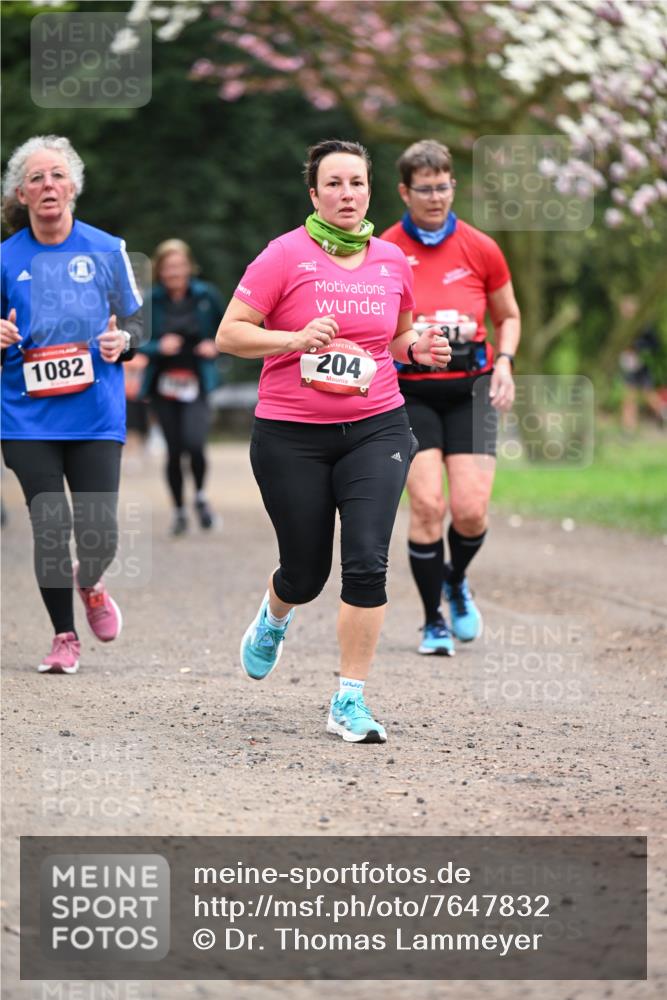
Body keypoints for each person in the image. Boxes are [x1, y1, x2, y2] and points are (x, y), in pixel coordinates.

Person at [216, 139, 451, 744]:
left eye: (357, 183)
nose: (348, 194)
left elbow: (397, 338)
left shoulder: (392, 260)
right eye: (335, 184)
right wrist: (293, 339)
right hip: (291, 434)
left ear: (370, 190)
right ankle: (275, 614)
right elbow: (230, 335)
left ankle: (350, 700)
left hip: (378, 426)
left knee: (368, 561)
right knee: (305, 571)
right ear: (314, 194)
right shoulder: (282, 255)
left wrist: (417, 350)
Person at [1, 135, 143, 674]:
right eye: (35, 178)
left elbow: (133, 323)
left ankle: (92, 581)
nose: (47, 186)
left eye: (56, 175)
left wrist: (123, 342)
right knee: (49, 526)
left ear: (74, 187)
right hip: (24, 413)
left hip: (95, 413)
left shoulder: (107, 249)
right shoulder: (5, 258)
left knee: (98, 533)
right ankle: (64, 637)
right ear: (21, 193)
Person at [381, 140, 520, 655]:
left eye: (444, 187)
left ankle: (455, 579)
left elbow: (508, 316)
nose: (436, 198)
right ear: (405, 191)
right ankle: (431, 621)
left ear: (452, 186)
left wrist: (504, 361)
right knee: (427, 506)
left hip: (472, 392)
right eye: (425, 189)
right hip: (409, 393)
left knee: (469, 510)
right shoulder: (387, 250)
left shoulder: (481, 248)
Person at [141, 239, 223, 535]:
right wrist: (158, 346)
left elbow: (229, 330)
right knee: (174, 450)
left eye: (179, 265)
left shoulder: (206, 295)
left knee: (195, 442)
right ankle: (178, 510)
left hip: (197, 381)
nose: (174, 271)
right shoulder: (151, 300)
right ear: (160, 270)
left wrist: (213, 345)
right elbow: (136, 343)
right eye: (168, 266)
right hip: (163, 385)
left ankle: (200, 496)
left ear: (189, 267)